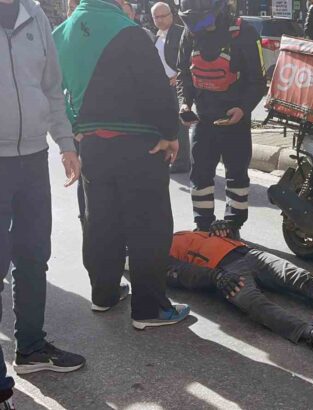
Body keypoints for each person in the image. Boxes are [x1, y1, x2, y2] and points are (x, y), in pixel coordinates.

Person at [53, 0, 190, 330]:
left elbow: (51, 92)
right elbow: (157, 91)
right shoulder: (130, 33)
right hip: (139, 145)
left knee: (101, 222)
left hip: (92, 146)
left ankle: (104, 294)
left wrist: (74, 127)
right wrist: (170, 134)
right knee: (147, 225)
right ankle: (149, 309)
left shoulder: (61, 34)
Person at [0, 0, 87, 405]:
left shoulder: (34, 15)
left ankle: (32, 348)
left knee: (34, 256)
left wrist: (66, 143)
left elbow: (52, 89)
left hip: (34, 159)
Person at [167, 228, 313, 358]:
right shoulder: (157, 253)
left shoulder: (185, 232)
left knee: (300, 277)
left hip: (247, 253)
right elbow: (182, 273)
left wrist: (227, 230)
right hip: (225, 272)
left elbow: (224, 236)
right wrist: (215, 277)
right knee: (254, 304)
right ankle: (311, 334)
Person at [176, 0, 267, 236]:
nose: (200, 27)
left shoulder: (244, 32)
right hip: (203, 119)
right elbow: (184, 74)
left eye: (204, 22)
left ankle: (232, 226)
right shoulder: (190, 33)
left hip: (235, 120)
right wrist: (185, 102)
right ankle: (203, 226)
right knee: (200, 175)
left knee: (236, 175)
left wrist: (243, 109)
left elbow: (258, 81)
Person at [152, 2, 190, 173]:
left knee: (180, 125)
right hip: (161, 87)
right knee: (166, 123)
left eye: (163, 16)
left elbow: (190, 58)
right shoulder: (156, 35)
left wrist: (178, 76)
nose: (160, 20)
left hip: (177, 85)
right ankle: (170, 157)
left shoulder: (181, 33)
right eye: (156, 17)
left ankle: (182, 162)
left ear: (171, 15)